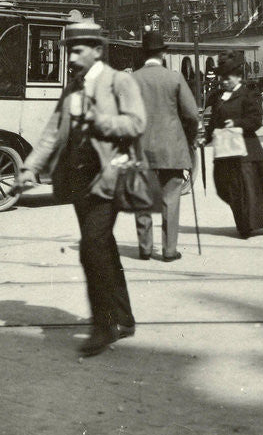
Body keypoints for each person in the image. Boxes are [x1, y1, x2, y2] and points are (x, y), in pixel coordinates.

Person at [16, 20, 145, 357]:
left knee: (92, 246)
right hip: (77, 182)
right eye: (68, 51)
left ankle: (103, 326)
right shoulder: (72, 89)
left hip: (109, 176)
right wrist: (30, 167)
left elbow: (136, 123)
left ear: (97, 50)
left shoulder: (120, 81)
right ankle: (124, 316)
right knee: (103, 246)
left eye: (77, 50)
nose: (71, 57)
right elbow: (51, 132)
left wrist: (101, 122)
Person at [131, 29, 200, 262]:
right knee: (171, 198)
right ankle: (169, 250)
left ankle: (145, 248)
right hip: (171, 149)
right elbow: (192, 115)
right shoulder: (174, 78)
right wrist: (188, 140)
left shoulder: (133, 79)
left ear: (143, 54)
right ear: (162, 54)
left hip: (140, 149)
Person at [203, 50, 263, 239]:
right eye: (222, 78)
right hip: (225, 151)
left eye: (228, 77)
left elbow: (255, 120)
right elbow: (214, 122)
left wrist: (237, 124)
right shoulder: (219, 97)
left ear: (237, 76)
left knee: (245, 190)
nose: (224, 81)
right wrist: (204, 138)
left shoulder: (248, 94)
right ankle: (245, 223)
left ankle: (246, 226)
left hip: (246, 151)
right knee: (225, 188)